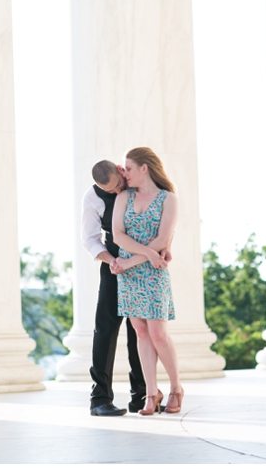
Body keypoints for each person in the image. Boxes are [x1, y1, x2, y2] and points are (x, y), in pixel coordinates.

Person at [81, 160, 172, 416]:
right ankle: (99, 400)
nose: (115, 193)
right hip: (114, 263)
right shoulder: (92, 198)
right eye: (109, 190)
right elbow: (89, 239)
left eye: (117, 186)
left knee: (140, 331)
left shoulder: (136, 185)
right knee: (106, 329)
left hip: (143, 263)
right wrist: (113, 262)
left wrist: (164, 248)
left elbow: (163, 220)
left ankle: (142, 395)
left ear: (122, 171)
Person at [110, 147, 184, 415]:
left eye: (128, 168)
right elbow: (118, 236)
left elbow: (163, 240)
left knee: (157, 333)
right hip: (132, 273)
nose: (124, 173)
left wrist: (133, 260)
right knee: (140, 331)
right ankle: (151, 394)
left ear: (144, 168)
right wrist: (149, 254)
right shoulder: (124, 196)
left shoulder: (168, 199)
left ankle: (176, 388)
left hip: (152, 272)